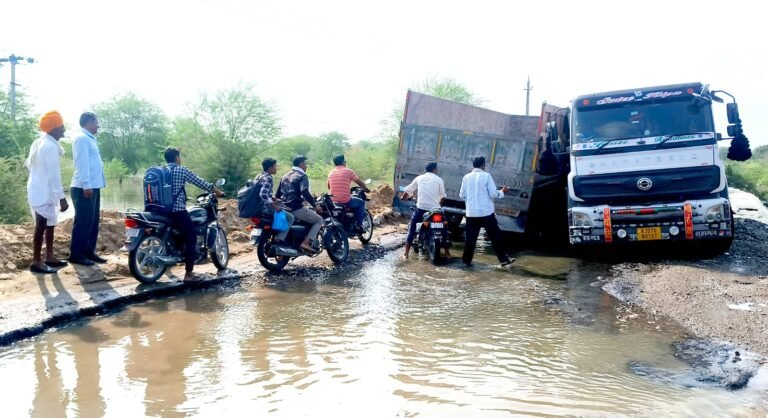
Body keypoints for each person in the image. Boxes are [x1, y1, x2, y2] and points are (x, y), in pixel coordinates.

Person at [163, 147, 223, 281]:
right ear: (177, 158)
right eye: (180, 157)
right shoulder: (181, 170)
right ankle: (189, 274)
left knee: (176, 235)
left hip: (161, 211)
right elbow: (199, 182)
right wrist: (217, 191)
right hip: (177, 210)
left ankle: (168, 266)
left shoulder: (161, 171)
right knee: (191, 237)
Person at [25, 111, 70, 274]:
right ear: (53, 129)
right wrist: (62, 198)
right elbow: (54, 176)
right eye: (62, 127)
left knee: (51, 223)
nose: (64, 131)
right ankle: (37, 261)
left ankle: (49, 256)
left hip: (41, 188)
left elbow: (30, 165)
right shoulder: (49, 146)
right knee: (41, 225)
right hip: (41, 191)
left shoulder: (41, 142)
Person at [459, 156, 515, 269]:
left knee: (470, 239)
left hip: (471, 213)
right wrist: (503, 191)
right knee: (496, 237)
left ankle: (466, 262)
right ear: (483, 165)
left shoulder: (466, 177)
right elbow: (493, 194)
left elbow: (462, 195)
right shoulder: (486, 176)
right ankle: (504, 260)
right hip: (486, 213)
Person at [68, 112, 106, 266]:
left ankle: (89, 252)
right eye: (96, 122)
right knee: (83, 221)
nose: (98, 125)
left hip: (93, 186)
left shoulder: (90, 139)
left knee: (93, 221)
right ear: (89, 122)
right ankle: (77, 255)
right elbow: (81, 164)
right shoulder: (81, 138)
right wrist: (86, 185)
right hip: (83, 187)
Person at [401, 161, 448, 259]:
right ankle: (447, 252)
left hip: (421, 209)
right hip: (435, 210)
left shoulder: (419, 178)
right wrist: (439, 204)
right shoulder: (439, 180)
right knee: (444, 226)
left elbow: (408, 190)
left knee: (412, 229)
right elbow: (443, 196)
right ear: (434, 169)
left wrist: (403, 197)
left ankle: (406, 254)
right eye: (436, 169)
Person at [276, 156, 323, 252]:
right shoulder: (302, 176)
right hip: (295, 208)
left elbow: (277, 195)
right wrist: (315, 205)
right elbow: (305, 191)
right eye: (305, 163)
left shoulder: (284, 176)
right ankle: (306, 242)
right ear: (301, 164)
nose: (306, 166)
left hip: (284, 208)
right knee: (319, 220)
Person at [327, 154, 370, 232]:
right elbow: (359, 182)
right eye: (345, 161)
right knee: (361, 203)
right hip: (345, 200)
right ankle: (359, 226)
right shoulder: (348, 171)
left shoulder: (331, 173)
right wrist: (366, 189)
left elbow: (329, 187)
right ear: (343, 162)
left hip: (333, 200)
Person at [257, 158, 294, 242]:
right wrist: (274, 206)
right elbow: (262, 194)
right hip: (266, 208)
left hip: (259, 207)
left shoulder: (260, 176)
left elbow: (263, 192)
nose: (276, 168)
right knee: (290, 218)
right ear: (270, 168)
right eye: (275, 166)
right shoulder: (268, 178)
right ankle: (279, 239)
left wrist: (274, 198)